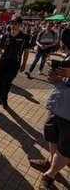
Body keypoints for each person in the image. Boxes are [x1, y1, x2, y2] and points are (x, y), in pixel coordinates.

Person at [29, 45, 70, 190]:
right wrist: (54, 77)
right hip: (58, 103)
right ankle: (52, 161)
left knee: (66, 147)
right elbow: (61, 79)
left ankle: (50, 175)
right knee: (52, 135)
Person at [0, 17, 29, 109]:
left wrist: (24, 64)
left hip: (15, 63)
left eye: (15, 23)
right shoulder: (5, 36)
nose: (12, 25)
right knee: (0, 81)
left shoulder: (24, 37)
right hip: (4, 62)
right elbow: (0, 49)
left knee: (7, 82)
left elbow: (26, 51)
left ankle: (4, 98)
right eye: (11, 23)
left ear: (20, 25)